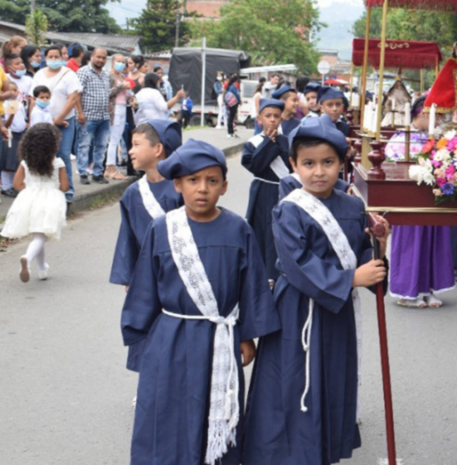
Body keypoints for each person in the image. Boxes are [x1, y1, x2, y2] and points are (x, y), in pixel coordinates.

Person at [121, 139, 280, 465]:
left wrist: (247, 335)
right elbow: (145, 290)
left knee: (216, 407)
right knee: (167, 407)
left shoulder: (238, 229)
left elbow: (251, 285)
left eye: (211, 180)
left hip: (220, 338)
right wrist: (146, 340)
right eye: (193, 180)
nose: (202, 189)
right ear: (177, 184)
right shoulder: (163, 229)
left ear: (224, 186)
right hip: (171, 338)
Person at [242, 118, 389, 465]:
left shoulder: (354, 207)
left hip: (336, 314)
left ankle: (321, 451)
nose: (318, 172)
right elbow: (297, 263)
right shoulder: (289, 208)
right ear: (294, 165)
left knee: (333, 379)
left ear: (342, 164)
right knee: (293, 383)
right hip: (297, 312)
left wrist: (379, 246)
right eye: (308, 163)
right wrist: (351, 279)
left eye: (328, 163)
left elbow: (364, 260)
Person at [109, 121, 183, 371]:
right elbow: (127, 236)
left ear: (158, 149)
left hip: (179, 267)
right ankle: (148, 380)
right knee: (146, 322)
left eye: (136, 145)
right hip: (145, 272)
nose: (130, 151)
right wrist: (129, 276)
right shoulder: (132, 193)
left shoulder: (180, 188)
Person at [386, 97, 454, 307]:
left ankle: (428, 289)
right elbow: (392, 167)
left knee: (433, 243)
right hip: (410, 199)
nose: (438, 121)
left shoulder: (438, 139)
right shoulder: (401, 139)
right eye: (436, 116)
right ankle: (407, 292)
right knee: (411, 244)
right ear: (423, 113)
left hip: (434, 198)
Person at [1, 123, 69, 282]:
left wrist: (32, 187)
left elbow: (17, 185)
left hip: (29, 199)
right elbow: (65, 187)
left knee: (37, 235)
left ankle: (42, 269)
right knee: (41, 236)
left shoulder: (25, 163)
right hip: (50, 200)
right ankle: (27, 257)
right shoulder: (58, 163)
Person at [242, 98, 292, 286]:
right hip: (262, 192)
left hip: (283, 191)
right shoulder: (252, 143)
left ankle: (282, 272)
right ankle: (263, 274)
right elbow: (256, 166)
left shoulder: (287, 142)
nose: (272, 120)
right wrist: (268, 145)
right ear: (259, 119)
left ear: (281, 119)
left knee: (281, 232)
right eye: (268, 116)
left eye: (276, 116)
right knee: (262, 232)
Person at [31, 45, 81, 202]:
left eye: (56, 57)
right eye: (50, 57)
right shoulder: (39, 75)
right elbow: (33, 98)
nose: (53, 60)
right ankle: (46, 190)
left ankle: (67, 191)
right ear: (46, 58)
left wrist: (60, 117)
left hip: (65, 121)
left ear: (62, 57)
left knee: (63, 154)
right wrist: (32, 121)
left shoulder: (69, 75)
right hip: (43, 122)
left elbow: (73, 98)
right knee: (43, 154)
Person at [76, 47, 112, 186]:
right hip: (88, 116)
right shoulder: (83, 72)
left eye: (103, 58)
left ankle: (98, 173)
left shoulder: (105, 74)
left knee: (102, 146)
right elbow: (77, 94)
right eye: (98, 57)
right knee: (84, 145)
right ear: (92, 56)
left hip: (104, 116)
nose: (101, 60)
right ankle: (83, 173)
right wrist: (80, 112)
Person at [1, 53, 32, 196]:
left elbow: (24, 115)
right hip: (9, 135)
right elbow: (6, 123)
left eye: (15, 90)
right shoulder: (6, 105)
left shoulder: (18, 103)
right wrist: (11, 115)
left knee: (16, 160)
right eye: (10, 90)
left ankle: (15, 184)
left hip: (20, 133)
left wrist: (26, 123)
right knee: (7, 161)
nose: (12, 93)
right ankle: (6, 186)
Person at [105, 54, 132, 180]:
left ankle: (111, 167)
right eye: (118, 61)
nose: (120, 64)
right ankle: (110, 167)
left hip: (123, 107)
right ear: (112, 62)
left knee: (117, 138)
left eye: (123, 61)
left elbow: (125, 93)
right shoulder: (109, 76)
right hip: (114, 108)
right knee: (114, 139)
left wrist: (131, 96)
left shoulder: (122, 76)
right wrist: (122, 86)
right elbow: (108, 93)